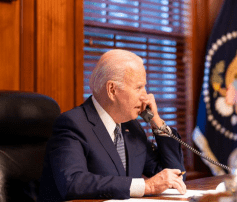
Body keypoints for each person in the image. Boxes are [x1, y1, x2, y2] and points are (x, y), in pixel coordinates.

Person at [38, 49, 186, 201]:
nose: (146, 96)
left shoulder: (132, 127)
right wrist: (146, 186)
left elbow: (173, 177)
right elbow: (73, 182)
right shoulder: (72, 124)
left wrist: (157, 123)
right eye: (138, 87)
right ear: (112, 90)